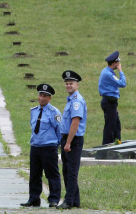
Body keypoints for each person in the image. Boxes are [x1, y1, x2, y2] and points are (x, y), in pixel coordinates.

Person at [21, 83, 62, 208]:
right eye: (40, 95)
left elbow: (59, 130)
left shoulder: (54, 112)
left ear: (49, 98)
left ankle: (54, 199)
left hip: (49, 147)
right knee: (34, 174)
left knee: (52, 174)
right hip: (35, 146)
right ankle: (34, 199)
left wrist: (56, 144)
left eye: (45, 96)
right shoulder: (34, 111)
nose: (42, 98)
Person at [57, 70, 85, 210]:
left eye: (71, 83)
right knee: (67, 171)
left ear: (77, 85)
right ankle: (75, 200)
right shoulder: (70, 100)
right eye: (67, 83)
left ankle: (68, 201)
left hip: (73, 140)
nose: (68, 86)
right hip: (67, 139)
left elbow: (75, 123)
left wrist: (68, 142)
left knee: (72, 172)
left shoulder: (76, 102)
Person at [98, 51, 126, 145]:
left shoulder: (106, 71)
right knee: (110, 126)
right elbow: (122, 83)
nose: (119, 64)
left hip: (110, 101)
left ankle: (116, 143)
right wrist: (120, 71)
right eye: (118, 63)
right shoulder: (109, 74)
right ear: (114, 63)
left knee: (116, 125)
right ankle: (107, 146)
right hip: (109, 102)